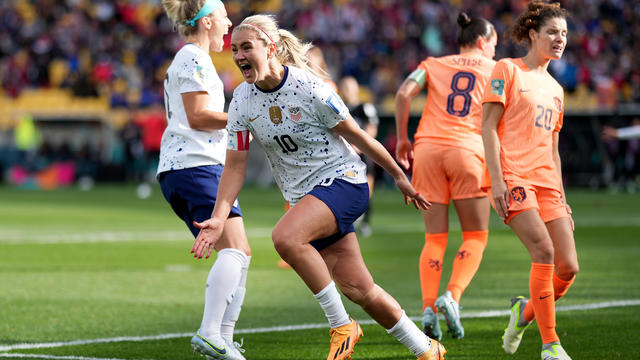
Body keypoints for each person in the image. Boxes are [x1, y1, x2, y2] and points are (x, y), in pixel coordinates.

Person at [191, 14, 446, 360]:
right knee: (359, 288)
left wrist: (398, 175)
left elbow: (357, 136)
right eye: (234, 49)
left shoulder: (310, 88)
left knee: (285, 237)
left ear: (271, 47)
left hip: (344, 181)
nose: (237, 56)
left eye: (246, 47)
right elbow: (235, 166)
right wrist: (220, 217)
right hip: (308, 199)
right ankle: (427, 348)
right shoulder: (241, 102)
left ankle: (341, 325)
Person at [481, 2, 578, 359]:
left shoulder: (557, 88)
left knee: (568, 267)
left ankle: (522, 314)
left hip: (547, 182)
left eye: (564, 34)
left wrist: (563, 198)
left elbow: (553, 150)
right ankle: (551, 346)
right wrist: (496, 180)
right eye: (553, 32)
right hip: (513, 175)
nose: (559, 39)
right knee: (545, 252)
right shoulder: (507, 69)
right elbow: (487, 127)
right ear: (533, 34)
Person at [395, 12, 497, 341]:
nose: (495, 50)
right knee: (476, 236)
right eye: (494, 44)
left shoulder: (432, 64)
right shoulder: (496, 70)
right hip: (468, 150)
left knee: (434, 239)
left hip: (426, 151)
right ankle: (451, 297)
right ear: (482, 42)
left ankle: (427, 309)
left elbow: (403, 94)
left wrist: (402, 139)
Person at [157, 1, 250, 359]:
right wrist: (240, 120)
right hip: (195, 165)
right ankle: (211, 333)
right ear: (208, 21)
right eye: (225, 17)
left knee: (241, 251)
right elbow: (197, 116)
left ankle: (222, 340)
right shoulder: (192, 57)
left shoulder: (196, 58)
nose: (229, 24)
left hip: (193, 166)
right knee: (235, 250)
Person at [340, 76, 379, 237]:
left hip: (362, 155)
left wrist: (360, 145)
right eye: (346, 87)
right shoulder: (340, 107)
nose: (348, 90)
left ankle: (365, 224)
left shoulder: (365, 107)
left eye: (351, 87)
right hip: (344, 156)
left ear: (357, 88)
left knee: (366, 191)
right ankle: (347, 221)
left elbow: (372, 128)